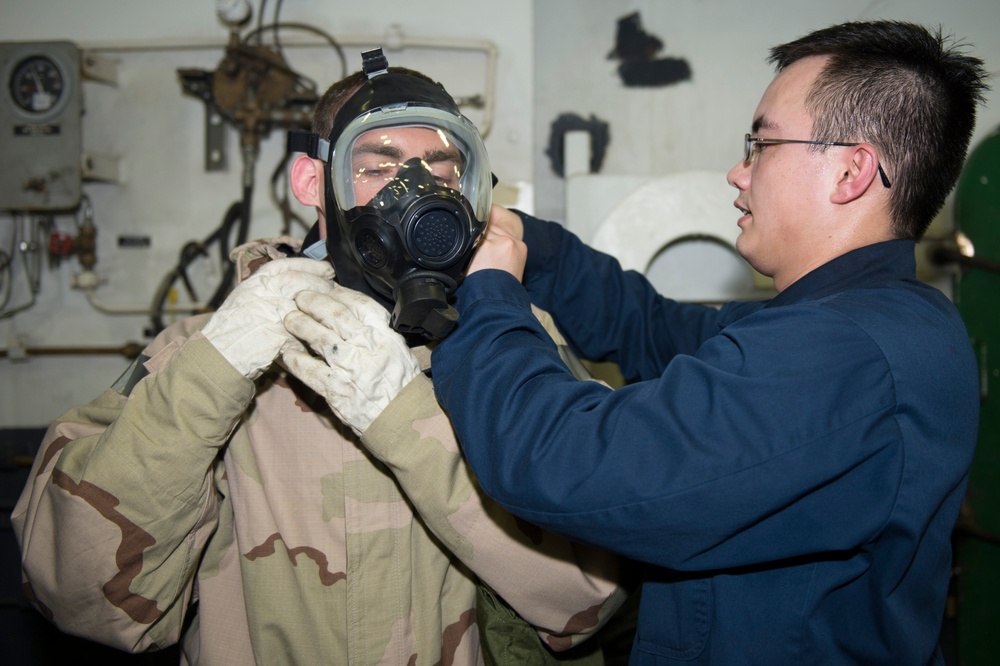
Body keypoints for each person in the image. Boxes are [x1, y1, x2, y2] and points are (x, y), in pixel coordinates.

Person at [309, 21, 990, 665]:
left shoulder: (844, 356)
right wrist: (522, 240)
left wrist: (487, 297)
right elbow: (653, 329)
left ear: (851, 172)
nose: (738, 172)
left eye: (762, 144)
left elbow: (561, 461)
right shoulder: (865, 318)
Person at [12, 49, 632, 665]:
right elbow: (80, 594)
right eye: (379, 167)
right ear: (315, 182)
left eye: (441, 169)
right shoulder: (202, 355)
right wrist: (214, 371)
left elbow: (588, 598)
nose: (418, 194)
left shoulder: (515, 348)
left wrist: (406, 423)